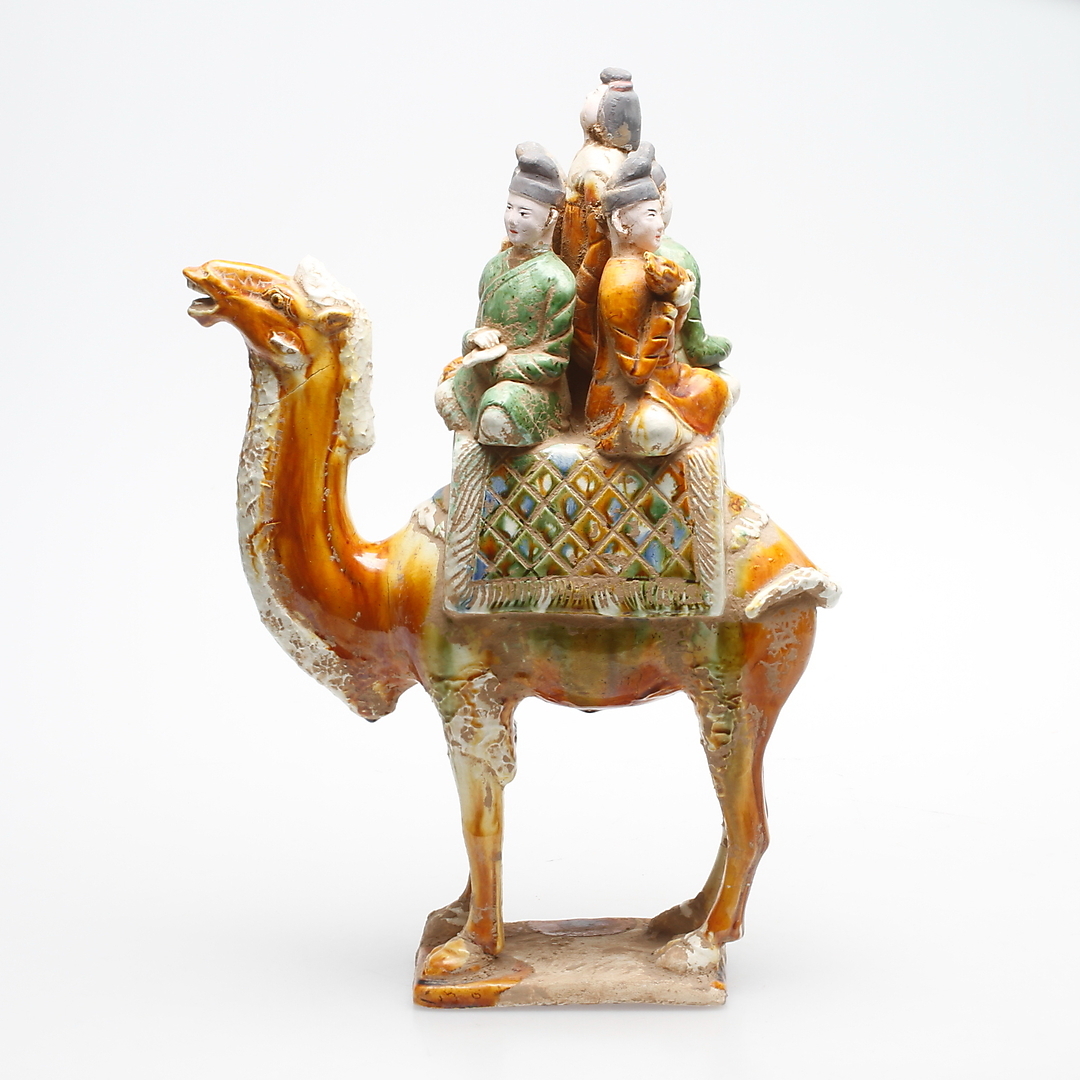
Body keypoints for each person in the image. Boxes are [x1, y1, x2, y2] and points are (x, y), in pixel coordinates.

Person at [585, 144, 733, 458]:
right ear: (621, 223)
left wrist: (681, 298)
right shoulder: (619, 283)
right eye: (651, 215)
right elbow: (635, 372)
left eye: (658, 212)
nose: (660, 224)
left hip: (666, 379)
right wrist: (666, 310)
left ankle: (683, 437)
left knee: (724, 386)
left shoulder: (650, 265)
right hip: (624, 399)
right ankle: (676, 444)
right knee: (656, 429)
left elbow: (673, 337)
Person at [436, 144, 576, 447]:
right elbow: (480, 328)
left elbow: (554, 361)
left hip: (535, 389)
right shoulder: (495, 266)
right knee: (446, 396)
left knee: (495, 415)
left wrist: (500, 365)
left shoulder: (558, 279)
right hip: (487, 372)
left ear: (551, 218)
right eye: (509, 208)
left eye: (524, 213)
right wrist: (476, 338)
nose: (512, 219)